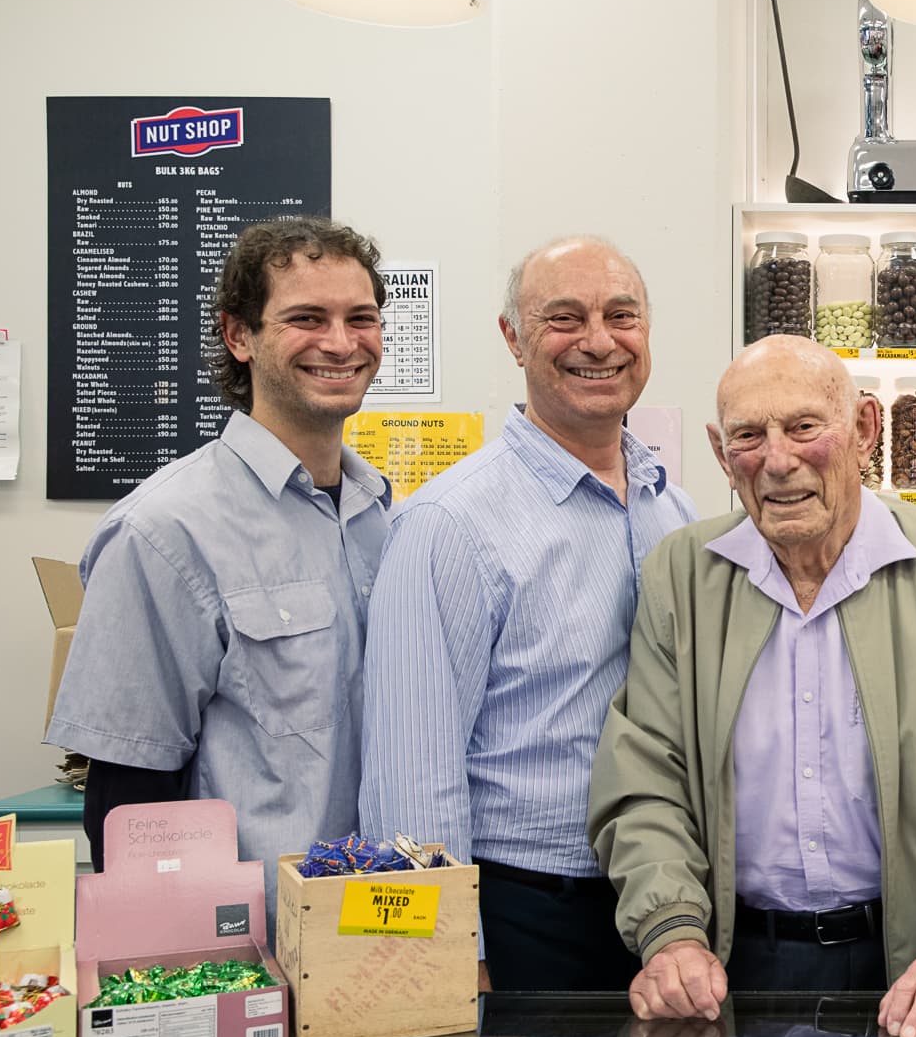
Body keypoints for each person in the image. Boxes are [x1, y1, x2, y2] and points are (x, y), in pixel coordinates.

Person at [589, 336, 916, 1037]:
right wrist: (670, 930)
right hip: (728, 966)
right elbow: (644, 781)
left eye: (804, 427)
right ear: (723, 457)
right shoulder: (681, 576)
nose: (778, 461)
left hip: (915, 968)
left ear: (865, 430)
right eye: (749, 437)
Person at [360, 236, 697, 993]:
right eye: (564, 318)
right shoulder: (450, 524)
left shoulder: (671, 508)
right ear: (513, 337)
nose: (599, 341)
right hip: (522, 919)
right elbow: (410, 778)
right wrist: (446, 959)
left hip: (664, 917)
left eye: (621, 315)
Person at [46, 216, 391, 916]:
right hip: (254, 953)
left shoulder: (383, 514)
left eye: (362, 317)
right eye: (306, 317)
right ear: (239, 336)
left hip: (381, 937)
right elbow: (127, 808)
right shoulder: (165, 531)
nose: (341, 341)